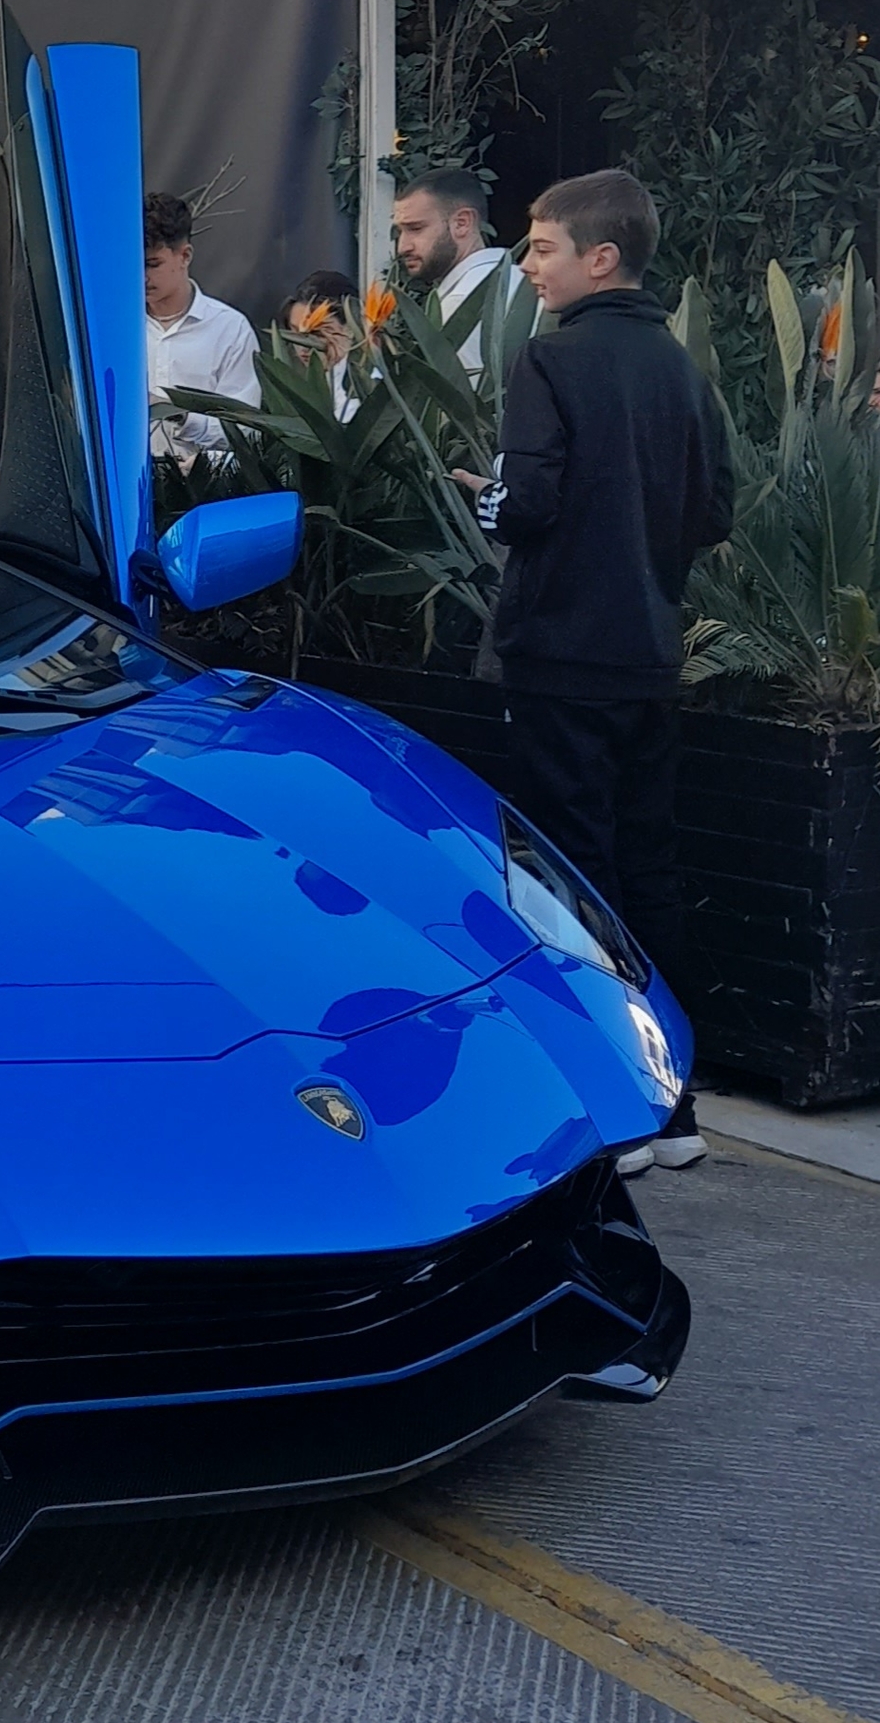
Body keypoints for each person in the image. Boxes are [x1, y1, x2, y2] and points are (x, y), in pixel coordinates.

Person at [478, 169, 732, 1156]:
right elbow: (713, 511)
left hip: (559, 656)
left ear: (600, 257)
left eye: (541, 246)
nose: (527, 263)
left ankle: (608, 1112)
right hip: (646, 654)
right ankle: (675, 1107)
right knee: (649, 865)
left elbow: (525, 505)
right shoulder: (678, 367)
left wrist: (488, 498)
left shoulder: (551, 362)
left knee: (571, 877)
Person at [144, 190, 259, 459]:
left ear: (185, 256)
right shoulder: (117, 330)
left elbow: (245, 429)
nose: (143, 276)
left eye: (153, 264)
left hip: (201, 488)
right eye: (134, 264)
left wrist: (182, 416)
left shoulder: (229, 329)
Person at [392, 167, 527, 377]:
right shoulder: (528, 281)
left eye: (416, 228)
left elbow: (467, 405)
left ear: (462, 223)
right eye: (400, 231)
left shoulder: (460, 304)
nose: (403, 247)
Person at [279, 268, 361, 421]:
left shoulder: (366, 387)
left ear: (350, 327)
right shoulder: (304, 388)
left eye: (317, 334)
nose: (303, 347)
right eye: (294, 333)